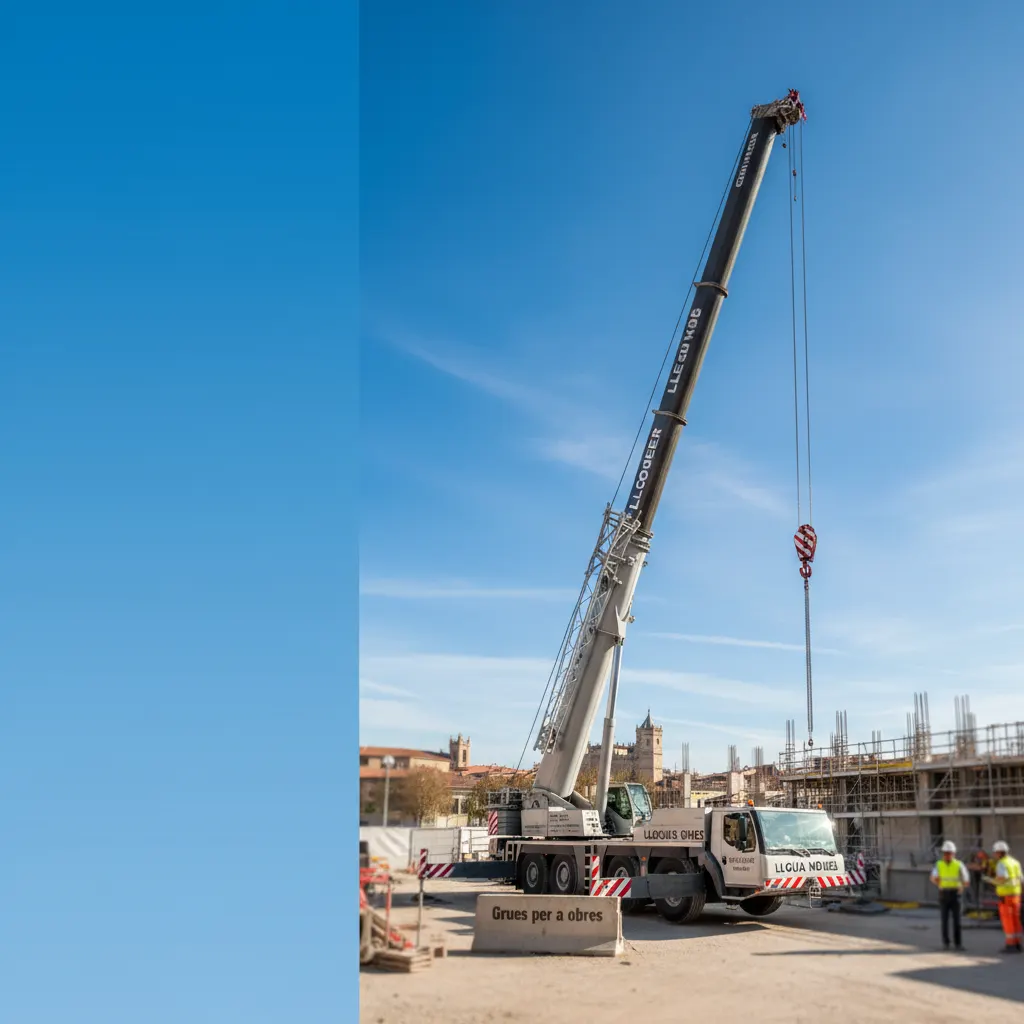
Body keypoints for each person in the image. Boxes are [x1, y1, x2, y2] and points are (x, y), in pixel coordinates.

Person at [984, 840, 1022, 953]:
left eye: (996, 852)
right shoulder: (1015, 862)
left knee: (1007, 920)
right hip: (1016, 895)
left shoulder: (1002, 863)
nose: (995, 855)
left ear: (999, 852)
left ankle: (1010, 945)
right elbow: (1021, 879)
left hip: (1005, 897)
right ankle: (1017, 943)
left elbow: (1002, 878)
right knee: (1016, 919)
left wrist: (990, 880)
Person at [930, 840, 968, 950]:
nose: (947, 855)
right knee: (944, 920)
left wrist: (961, 887)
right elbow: (933, 878)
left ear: (954, 854)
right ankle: (946, 943)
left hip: (956, 894)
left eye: (949, 853)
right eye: (946, 853)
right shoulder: (939, 864)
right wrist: (940, 884)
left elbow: (965, 879)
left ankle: (958, 944)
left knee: (957, 920)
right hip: (944, 894)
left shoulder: (959, 865)